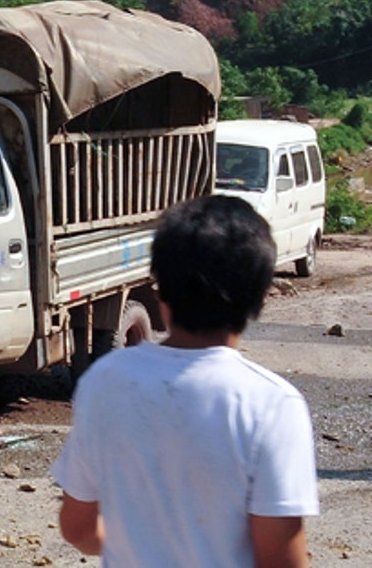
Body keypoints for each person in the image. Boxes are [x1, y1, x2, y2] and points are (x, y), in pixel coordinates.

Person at [51, 195, 319, 567]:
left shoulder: (105, 381)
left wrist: (141, 546)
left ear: (161, 291)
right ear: (258, 298)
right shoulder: (272, 404)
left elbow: (78, 528)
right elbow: (280, 559)